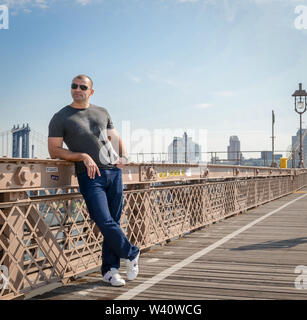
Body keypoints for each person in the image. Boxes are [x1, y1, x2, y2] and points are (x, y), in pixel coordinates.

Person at [48, 74, 139, 286]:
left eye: (82, 87)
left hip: (113, 172)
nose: (77, 89)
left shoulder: (102, 111)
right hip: (89, 175)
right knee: (103, 220)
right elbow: (54, 151)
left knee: (113, 223)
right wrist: (82, 156)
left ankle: (110, 270)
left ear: (91, 91)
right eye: (74, 86)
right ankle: (132, 252)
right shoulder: (60, 117)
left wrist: (124, 155)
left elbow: (114, 137)